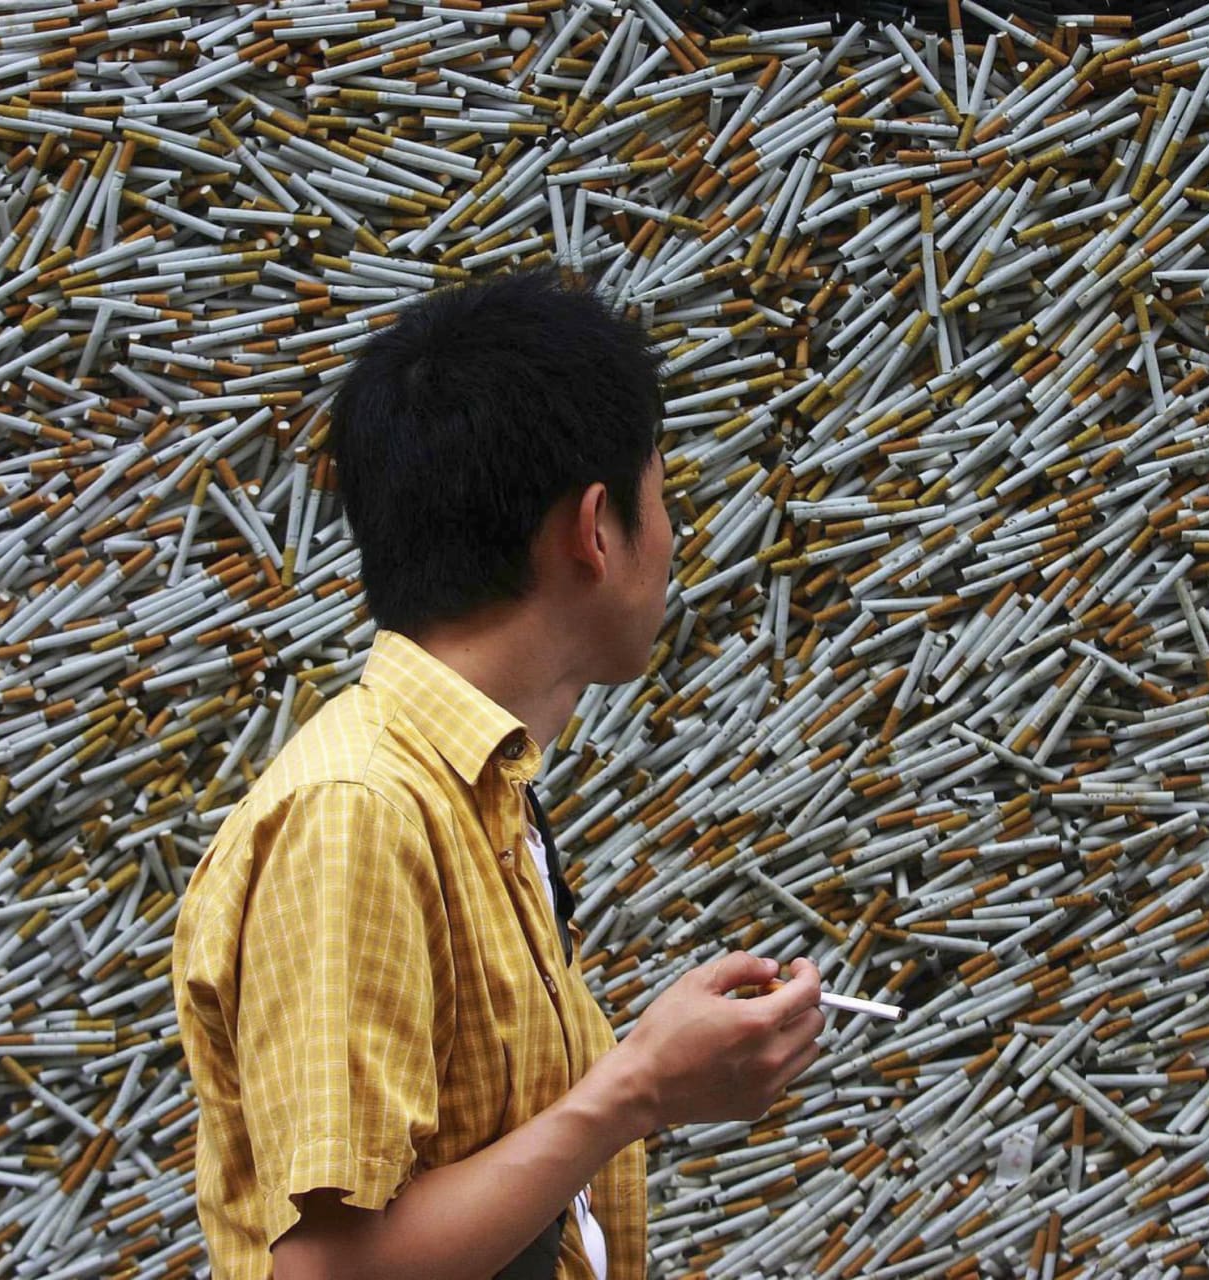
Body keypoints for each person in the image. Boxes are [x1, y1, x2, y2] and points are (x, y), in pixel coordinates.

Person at [172, 267, 825, 1280]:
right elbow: (329, 1271)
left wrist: (650, 1058)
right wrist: (639, 1087)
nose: (675, 539)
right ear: (593, 527)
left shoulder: (475, 791)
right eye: (663, 497)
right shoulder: (358, 814)